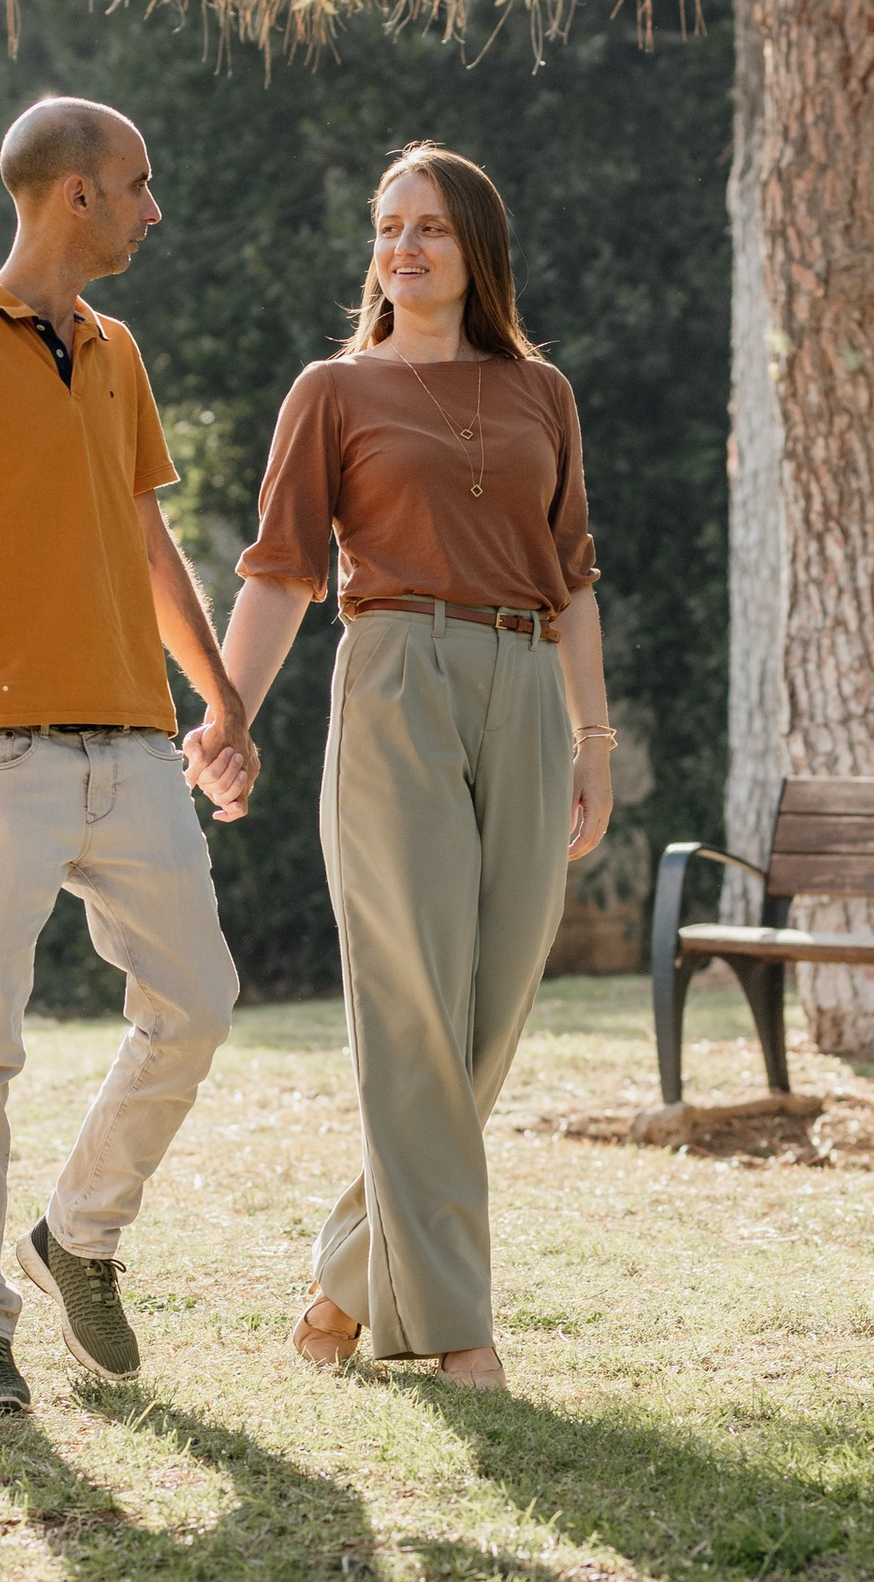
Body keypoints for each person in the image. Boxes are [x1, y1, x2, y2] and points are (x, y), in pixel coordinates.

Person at [0, 98, 254, 1414]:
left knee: (197, 995)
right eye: (139, 185)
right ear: (74, 193)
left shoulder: (117, 351)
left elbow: (149, 546)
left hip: (136, 747)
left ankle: (76, 1234)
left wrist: (219, 698)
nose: (156, 207)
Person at [221, 144, 613, 1390]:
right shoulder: (333, 390)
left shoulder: (541, 393)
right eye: (389, 227)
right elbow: (282, 571)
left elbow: (573, 580)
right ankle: (455, 1332)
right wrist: (228, 714)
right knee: (413, 1012)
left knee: (488, 1011)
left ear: (475, 248)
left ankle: (344, 1284)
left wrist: (592, 736)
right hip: (394, 678)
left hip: (523, 691)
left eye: (430, 227)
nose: (403, 247)